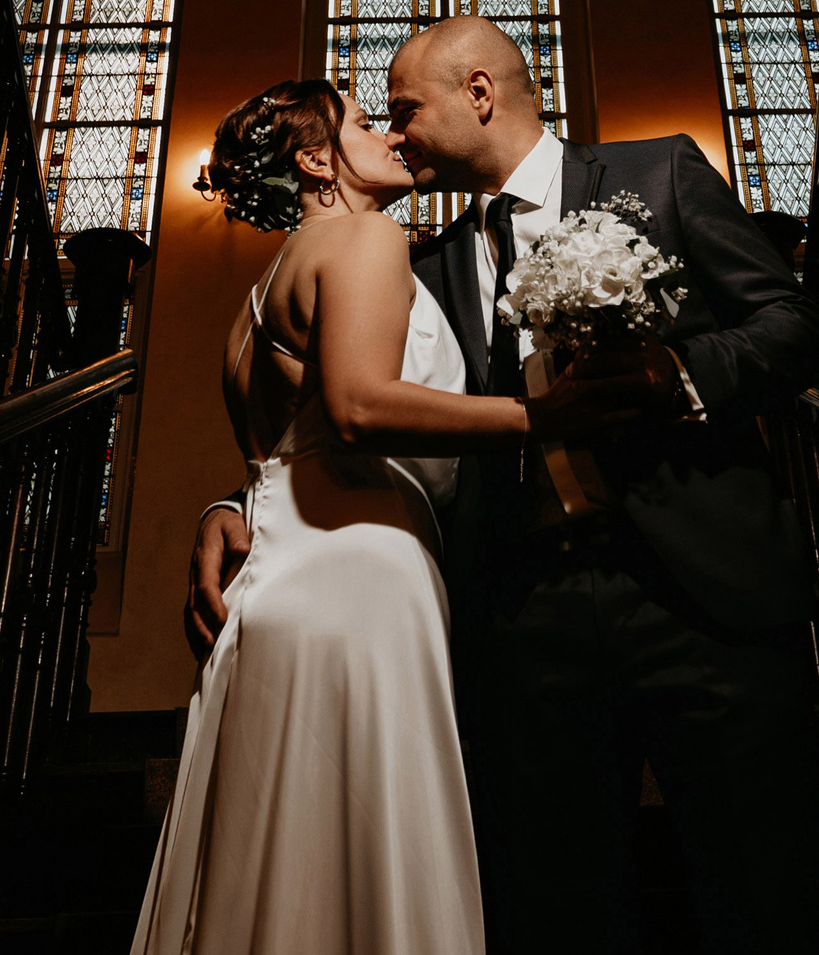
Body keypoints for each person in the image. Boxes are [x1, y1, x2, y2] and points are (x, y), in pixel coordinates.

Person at [187, 20, 819, 955]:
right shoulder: (411, 262)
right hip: (524, 616)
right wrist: (238, 505)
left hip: (701, 596)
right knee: (560, 907)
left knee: (764, 890)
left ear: (480, 94)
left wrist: (675, 373)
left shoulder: (657, 175)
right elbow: (341, 408)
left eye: (404, 110)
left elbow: (798, 326)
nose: (397, 133)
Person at [131, 77, 644, 955]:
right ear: (317, 158)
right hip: (363, 569)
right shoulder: (366, 236)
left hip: (277, 584)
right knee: (371, 855)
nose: (391, 137)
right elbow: (360, 406)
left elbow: (276, 459)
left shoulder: (250, 308)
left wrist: (225, 508)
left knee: (278, 858)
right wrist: (541, 416)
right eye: (368, 123)